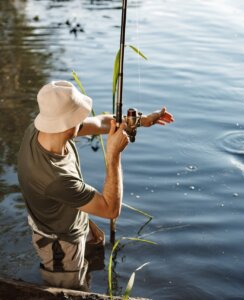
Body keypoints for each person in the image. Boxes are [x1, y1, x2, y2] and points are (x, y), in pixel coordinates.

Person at [17, 80, 173, 290]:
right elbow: (111, 209)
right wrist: (113, 155)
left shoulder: (41, 130)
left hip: (72, 217)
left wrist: (139, 121)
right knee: (71, 292)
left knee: (92, 266)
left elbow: (100, 123)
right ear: (67, 124)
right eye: (78, 117)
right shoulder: (55, 178)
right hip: (61, 245)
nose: (83, 119)